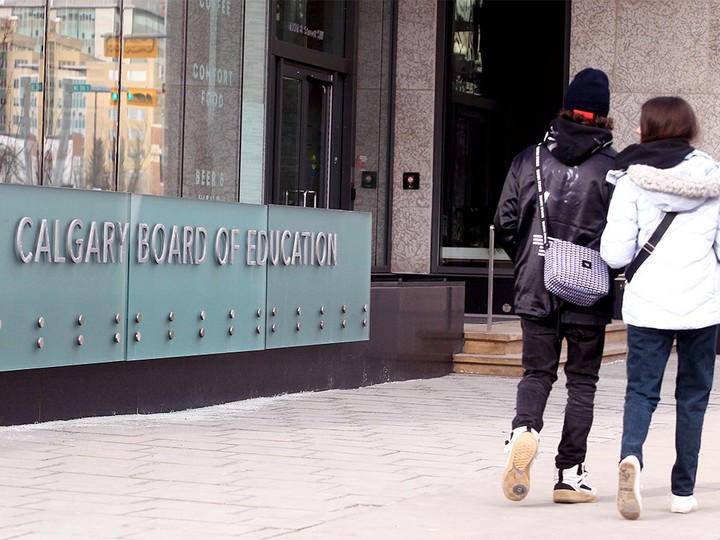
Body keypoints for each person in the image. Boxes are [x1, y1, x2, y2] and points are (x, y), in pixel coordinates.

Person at [494, 68, 617, 504]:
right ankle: (569, 474)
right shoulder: (614, 168)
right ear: (602, 115)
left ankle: (524, 430)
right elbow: (622, 238)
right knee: (582, 381)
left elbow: (504, 223)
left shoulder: (528, 159)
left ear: (565, 107)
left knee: (537, 372)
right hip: (589, 289)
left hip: (536, 284)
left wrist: (531, 261)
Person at [599, 96, 720, 520]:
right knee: (693, 398)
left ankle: (631, 457)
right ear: (691, 130)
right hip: (702, 307)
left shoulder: (631, 181)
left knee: (641, 392)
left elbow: (615, 254)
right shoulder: (713, 178)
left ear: (647, 130)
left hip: (648, 305)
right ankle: (683, 492)